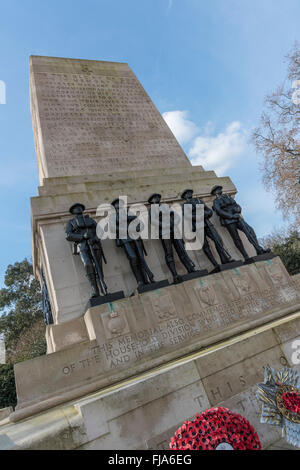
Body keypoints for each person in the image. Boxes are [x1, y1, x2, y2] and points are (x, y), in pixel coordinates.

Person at [211, 185, 269, 260]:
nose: (220, 190)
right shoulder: (216, 201)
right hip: (229, 220)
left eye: (220, 189)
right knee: (236, 238)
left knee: (250, 231)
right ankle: (245, 256)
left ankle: (259, 249)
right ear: (215, 192)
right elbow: (219, 211)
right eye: (218, 190)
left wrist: (238, 209)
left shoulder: (228, 197)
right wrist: (231, 216)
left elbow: (236, 205)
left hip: (237, 217)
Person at [148, 193, 196, 283]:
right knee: (169, 253)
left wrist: (173, 223)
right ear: (152, 201)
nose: (157, 198)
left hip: (174, 230)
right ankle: (175, 274)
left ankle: (190, 268)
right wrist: (166, 225)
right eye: (154, 198)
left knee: (181, 250)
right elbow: (153, 221)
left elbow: (176, 217)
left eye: (158, 197)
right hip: (164, 232)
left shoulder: (166, 206)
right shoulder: (152, 210)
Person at [181, 189, 234, 268]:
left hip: (207, 223)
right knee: (205, 246)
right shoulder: (185, 205)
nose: (189, 194)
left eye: (190, 193)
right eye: (187, 193)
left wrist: (205, 213)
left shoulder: (199, 201)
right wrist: (199, 216)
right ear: (184, 196)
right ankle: (215, 264)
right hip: (197, 226)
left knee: (217, 240)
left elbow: (209, 211)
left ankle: (224, 258)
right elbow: (187, 216)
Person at [66, 203, 107, 297]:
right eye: (76, 208)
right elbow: (68, 235)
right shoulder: (71, 222)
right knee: (88, 265)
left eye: (80, 207)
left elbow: (100, 231)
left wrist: (95, 238)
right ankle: (95, 290)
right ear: (73, 211)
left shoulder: (90, 220)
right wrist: (82, 236)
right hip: (83, 246)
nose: (78, 209)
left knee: (99, 267)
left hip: (94, 245)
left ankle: (103, 289)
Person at [111, 198, 154, 289]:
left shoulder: (129, 213)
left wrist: (136, 228)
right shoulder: (114, 216)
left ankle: (147, 279)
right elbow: (113, 227)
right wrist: (127, 230)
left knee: (141, 258)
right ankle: (139, 281)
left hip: (135, 237)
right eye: (118, 205)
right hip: (125, 239)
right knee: (133, 258)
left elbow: (140, 223)